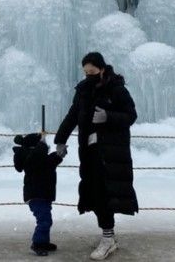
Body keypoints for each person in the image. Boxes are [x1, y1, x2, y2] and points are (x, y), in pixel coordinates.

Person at [53, 52, 138, 261]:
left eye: (92, 72)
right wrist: (60, 139)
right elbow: (72, 115)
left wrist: (108, 117)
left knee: (105, 193)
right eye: (86, 72)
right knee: (96, 192)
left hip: (110, 153)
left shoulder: (116, 89)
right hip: (90, 151)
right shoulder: (83, 91)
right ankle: (108, 235)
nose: (89, 76)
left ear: (101, 69)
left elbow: (131, 115)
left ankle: (108, 239)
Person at [13, 131, 66, 256]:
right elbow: (37, 159)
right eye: (43, 145)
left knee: (46, 220)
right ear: (35, 148)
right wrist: (41, 144)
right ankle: (37, 243)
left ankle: (43, 242)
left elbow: (49, 163)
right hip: (36, 195)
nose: (46, 147)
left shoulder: (38, 159)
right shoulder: (30, 159)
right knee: (44, 220)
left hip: (43, 195)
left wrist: (59, 155)